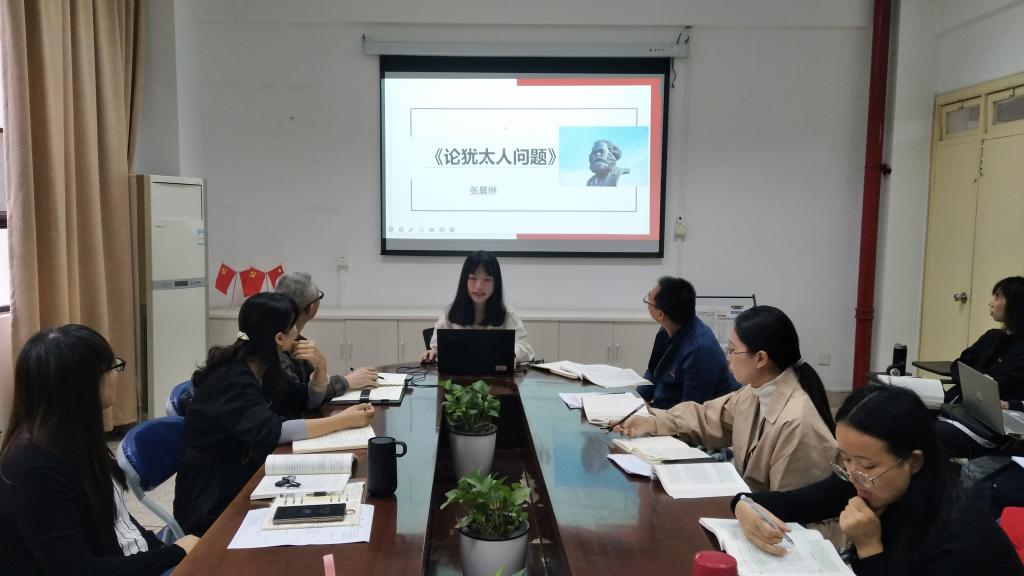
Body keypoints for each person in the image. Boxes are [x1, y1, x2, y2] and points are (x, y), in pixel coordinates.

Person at [732, 385, 1024, 576]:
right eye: (846, 458)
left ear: (914, 461)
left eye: (867, 464)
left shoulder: (959, 541)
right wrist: (743, 505)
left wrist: (869, 547)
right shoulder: (868, 481)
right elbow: (796, 502)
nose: (853, 474)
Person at [0, 324, 199, 575]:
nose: (116, 374)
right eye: (113, 367)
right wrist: (175, 553)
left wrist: (165, 551)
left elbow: (119, 524)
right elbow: (80, 570)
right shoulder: (34, 468)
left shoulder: (73, 437)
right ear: (83, 385)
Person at [174, 293, 375, 535]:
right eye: (293, 328)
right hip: (213, 498)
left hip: (246, 472)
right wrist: (341, 421)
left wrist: (320, 369)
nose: (298, 334)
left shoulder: (263, 364)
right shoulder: (232, 378)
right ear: (279, 338)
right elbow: (273, 431)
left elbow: (303, 399)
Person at [616, 305, 836, 493]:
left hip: (773, 522)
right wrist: (653, 421)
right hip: (748, 506)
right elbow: (706, 418)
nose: (727, 357)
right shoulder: (753, 393)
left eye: (732, 350)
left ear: (760, 358)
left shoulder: (797, 421)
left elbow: (790, 507)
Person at [937, 276, 1024, 458]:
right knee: (904, 416)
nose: (991, 303)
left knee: (930, 435)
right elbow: (958, 366)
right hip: (957, 407)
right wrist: (977, 380)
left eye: (997, 297)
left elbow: (1002, 385)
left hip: (989, 425)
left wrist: (976, 379)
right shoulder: (992, 336)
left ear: (1016, 303)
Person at [271, 272, 379, 418]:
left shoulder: (290, 339)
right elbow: (302, 399)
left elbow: (313, 388)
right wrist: (346, 381)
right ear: (312, 308)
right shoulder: (276, 349)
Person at [638, 277, 738, 409]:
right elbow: (653, 372)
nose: (647, 303)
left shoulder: (699, 350)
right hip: (664, 408)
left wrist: (652, 416)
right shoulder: (667, 328)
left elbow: (691, 412)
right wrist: (635, 400)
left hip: (689, 415)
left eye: (648, 300)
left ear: (660, 314)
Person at [421, 250, 535, 364]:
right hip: (458, 374)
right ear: (464, 280)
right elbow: (436, 348)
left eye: (487, 280)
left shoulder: (507, 314)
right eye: (473, 278)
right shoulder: (450, 314)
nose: (479, 286)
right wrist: (432, 353)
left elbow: (527, 351)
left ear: (496, 283)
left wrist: (507, 352)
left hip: (496, 374)